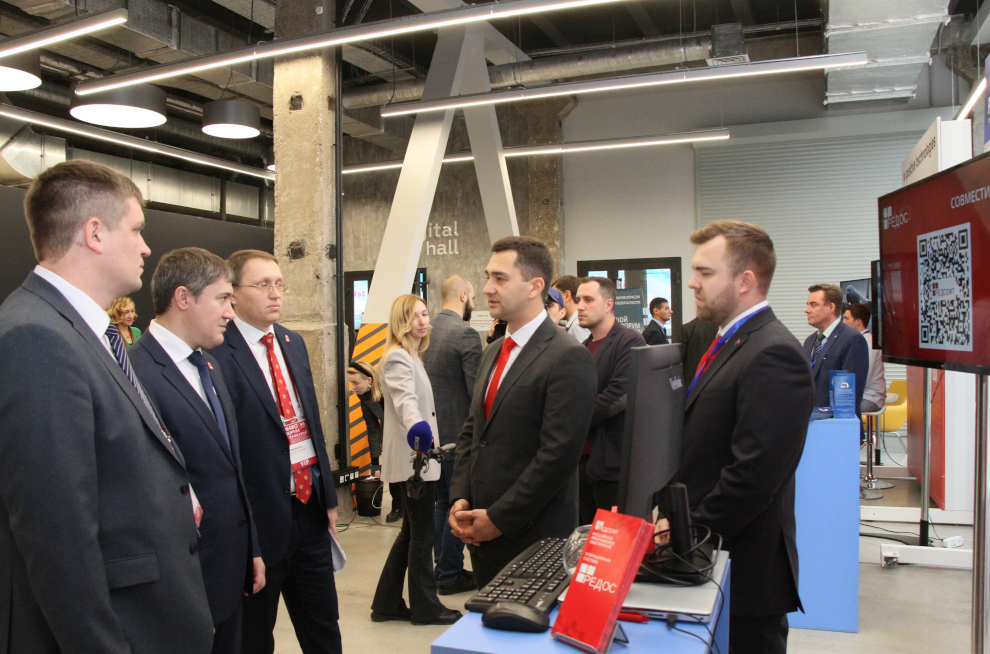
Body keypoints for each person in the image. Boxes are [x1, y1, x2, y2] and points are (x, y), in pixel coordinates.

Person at [0, 159, 214, 653]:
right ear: (94, 233)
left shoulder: (81, 331)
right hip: (118, 630)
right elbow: (58, 537)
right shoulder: (36, 337)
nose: (146, 247)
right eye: (136, 229)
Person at [670, 220, 812, 654]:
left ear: (745, 281)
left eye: (705, 272)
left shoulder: (773, 352)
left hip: (744, 575)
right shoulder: (729, 341)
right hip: (715, 562)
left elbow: (752, 476)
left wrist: (683, 532)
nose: (692, 283)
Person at [129, 247, 264, 654]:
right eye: (222, 299)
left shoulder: (209, 364)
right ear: (183, 298)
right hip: (182, 583)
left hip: (230, 571)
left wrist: (251, 548)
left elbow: (232, 469)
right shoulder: (134, 375)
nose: (230, 312)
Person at [208, 249, 342, 654]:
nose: (275, 294)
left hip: (308, 508)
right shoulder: (217, 352)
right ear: (233, 293)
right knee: (254, 636)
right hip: (260, 519)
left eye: (280, 284)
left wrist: (329, 497)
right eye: (263, 285)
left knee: (323, 627)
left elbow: (311, 422)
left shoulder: (292, 342)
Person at [450, 237, 597, 589]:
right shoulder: (494, 351)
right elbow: (473, 430)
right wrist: (460, 496)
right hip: (480, 531)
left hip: (533, 538)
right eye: (488, 277)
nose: (487, 288)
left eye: (500, 278)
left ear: (535, 287)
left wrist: (499, 519)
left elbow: (557, 456)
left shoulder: (567, 356)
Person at [371, 294, 462, 626]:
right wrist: (419, 431)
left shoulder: (412, 355)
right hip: (414, 463)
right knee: (422, 536)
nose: (423, 321)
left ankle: (386, 604)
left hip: (419, 460)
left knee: (411, 534)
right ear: (401, 322)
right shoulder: (398, 357)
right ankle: (426, 608)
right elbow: (405, 402)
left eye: (425, 314)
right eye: (415, 316)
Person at [422, 276, 482, 596]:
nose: (475, 302)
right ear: (463, 296)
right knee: (456, 505)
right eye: (473, 296)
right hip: (458, 438)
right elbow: (477, 393)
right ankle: (449, 574)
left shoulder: (426, 330)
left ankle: (442, 568)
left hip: (431, 439)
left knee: (441, 503)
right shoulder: (465, 334)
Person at [575, 276, 646, 523]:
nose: (580, 306)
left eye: (588, 300)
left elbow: (619, 395)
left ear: (608, 304)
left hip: (612, 464)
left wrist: (572, 420)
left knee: (614, 537)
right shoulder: (583, 347)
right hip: (582, 462)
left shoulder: (629, 340)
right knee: (586, 535)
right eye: (578, 300)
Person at [348, 359, 403, 521]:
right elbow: (373, 430)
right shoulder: (364, 397)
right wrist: (375, 464)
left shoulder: (389, 391)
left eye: (356, 382)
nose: (353, 387)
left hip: (406, 431)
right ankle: (397, 507)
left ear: (369, 380)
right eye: (351, 383)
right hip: (390, 435)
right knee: (392, 471)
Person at [803, 283, 869, 416]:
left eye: (813, 305)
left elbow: (850, 395)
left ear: (831, 307)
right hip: (811, 422)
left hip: (836, 424)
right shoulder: (810, 341)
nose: (807, 310)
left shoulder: (852, 339)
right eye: (807, 304)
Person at [843, 302, 887, 413]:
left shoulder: (868, 342)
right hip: (859, 395)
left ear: (858, 321)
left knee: (837, 411)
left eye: (846, 318)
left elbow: (863, 377)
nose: (843, 322)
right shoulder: (857, 340)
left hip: (869, 398)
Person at [552, 274, 591, 343]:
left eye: (555, 297)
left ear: (567, 295)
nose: (552, 302)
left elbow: (585, 350)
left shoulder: (577, 326)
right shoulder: (574, 324)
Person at [678, 316, 718, 382]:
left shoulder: (687, 328)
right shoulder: (718, 328)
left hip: (692, 378)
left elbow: (680, 356)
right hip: (713, 376)